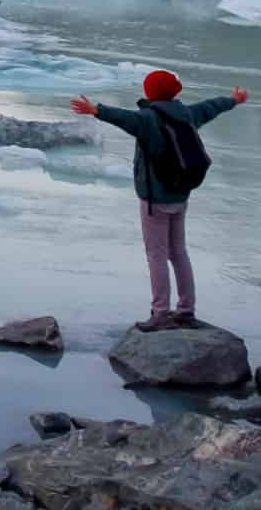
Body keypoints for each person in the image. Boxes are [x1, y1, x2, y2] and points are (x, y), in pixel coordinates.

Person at [70, 70, 249, 332]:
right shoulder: (186, 113)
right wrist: (234, 99)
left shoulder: (148, 119)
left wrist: (95, 109)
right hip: (181, 194)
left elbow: (124, 118)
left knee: (157, 254)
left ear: (150, 92)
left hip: (155, 199)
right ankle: (186, 310)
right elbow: (212, 107)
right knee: (179, 252)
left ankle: (161, 312)